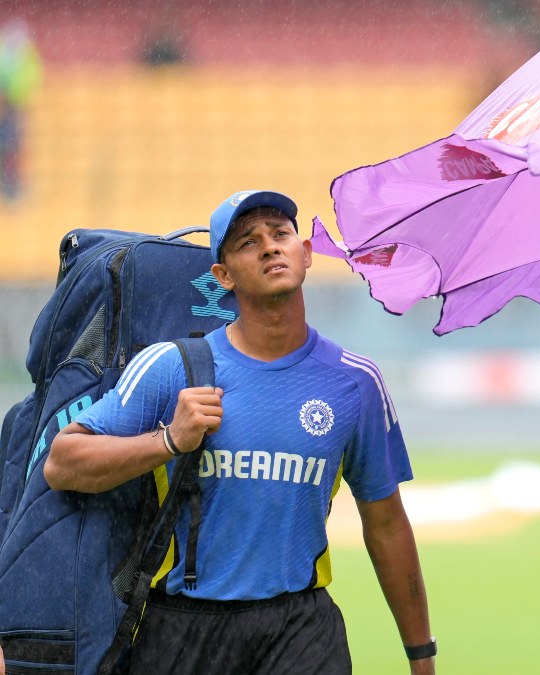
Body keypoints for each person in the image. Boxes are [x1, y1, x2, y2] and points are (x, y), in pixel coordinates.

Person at [44, 190, 436, 674]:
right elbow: (62, 462)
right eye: (249, 242)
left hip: (301, 626)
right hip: (184, 626)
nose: (270, 247)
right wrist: (167, 441)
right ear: (223, 275)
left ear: (306, 253)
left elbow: (386, 523)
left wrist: (421, 656)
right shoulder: (172, 368)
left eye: (281, 234)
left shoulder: (355, 382)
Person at [0, 19, 42, 203]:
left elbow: (31, 82)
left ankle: (12, 186)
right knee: (10, 148)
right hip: (11, 108)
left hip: (14, 108)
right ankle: (10, 186)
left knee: (13, 148)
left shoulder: (25, 57)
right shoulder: (10, 56)